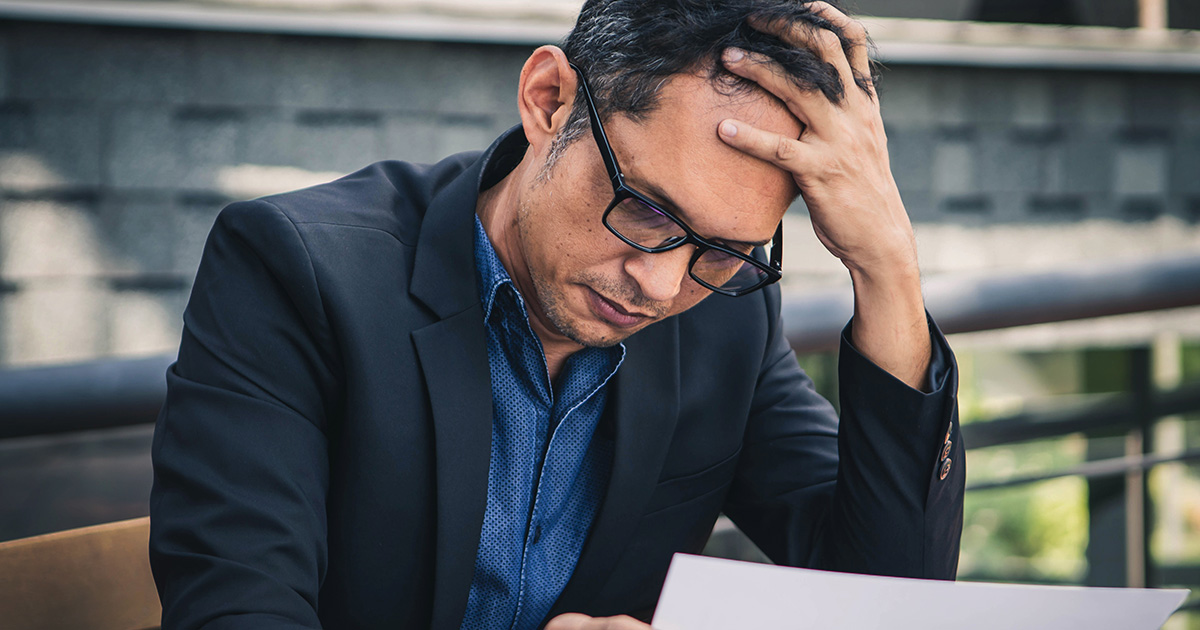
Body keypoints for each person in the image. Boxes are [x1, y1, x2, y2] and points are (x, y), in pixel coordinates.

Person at [149, 1, 964, 629]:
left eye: (720, 249)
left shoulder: (722, 312)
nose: (659, 281)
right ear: (549, 101)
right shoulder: (299, 271)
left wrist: (886, 267)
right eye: (645, 209)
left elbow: (885, 600)